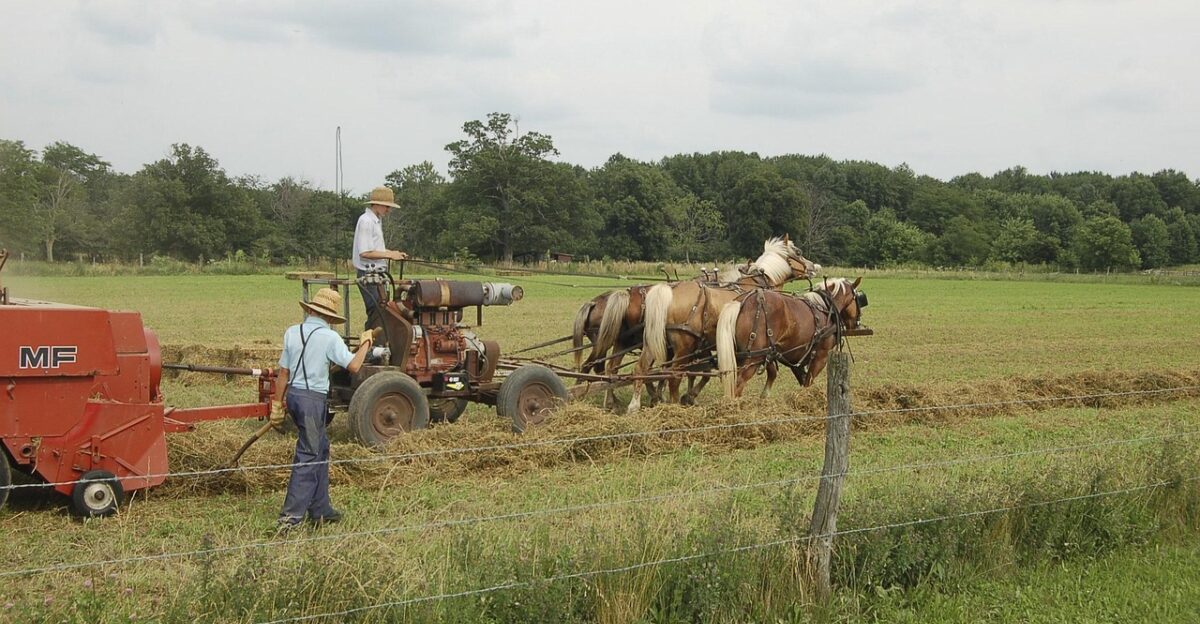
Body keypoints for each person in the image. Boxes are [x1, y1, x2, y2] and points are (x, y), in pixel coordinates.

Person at [272, 287, 377, 530]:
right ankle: (290, 519)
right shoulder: (330, 338)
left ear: (309, 310)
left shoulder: (292, 332)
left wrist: (277, 403)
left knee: (320, 448)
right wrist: (366, 343)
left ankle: (320, 509)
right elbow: (354, 365)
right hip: (312, 401)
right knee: (308, 455)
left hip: (295, 397)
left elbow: (283, 373)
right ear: (330, 317)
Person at [352, 186, 407, 327]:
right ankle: (371, 345)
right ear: (376, 204)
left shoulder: (375, 220)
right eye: (386, 206)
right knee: (376, 312)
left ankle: (377, 343)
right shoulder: (366, 221)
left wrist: (394, 253)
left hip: (377, 273)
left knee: (382, 310)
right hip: (368, 273)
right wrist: (390, 255)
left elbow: (375, 249)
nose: (388, 210)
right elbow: (365, 252)